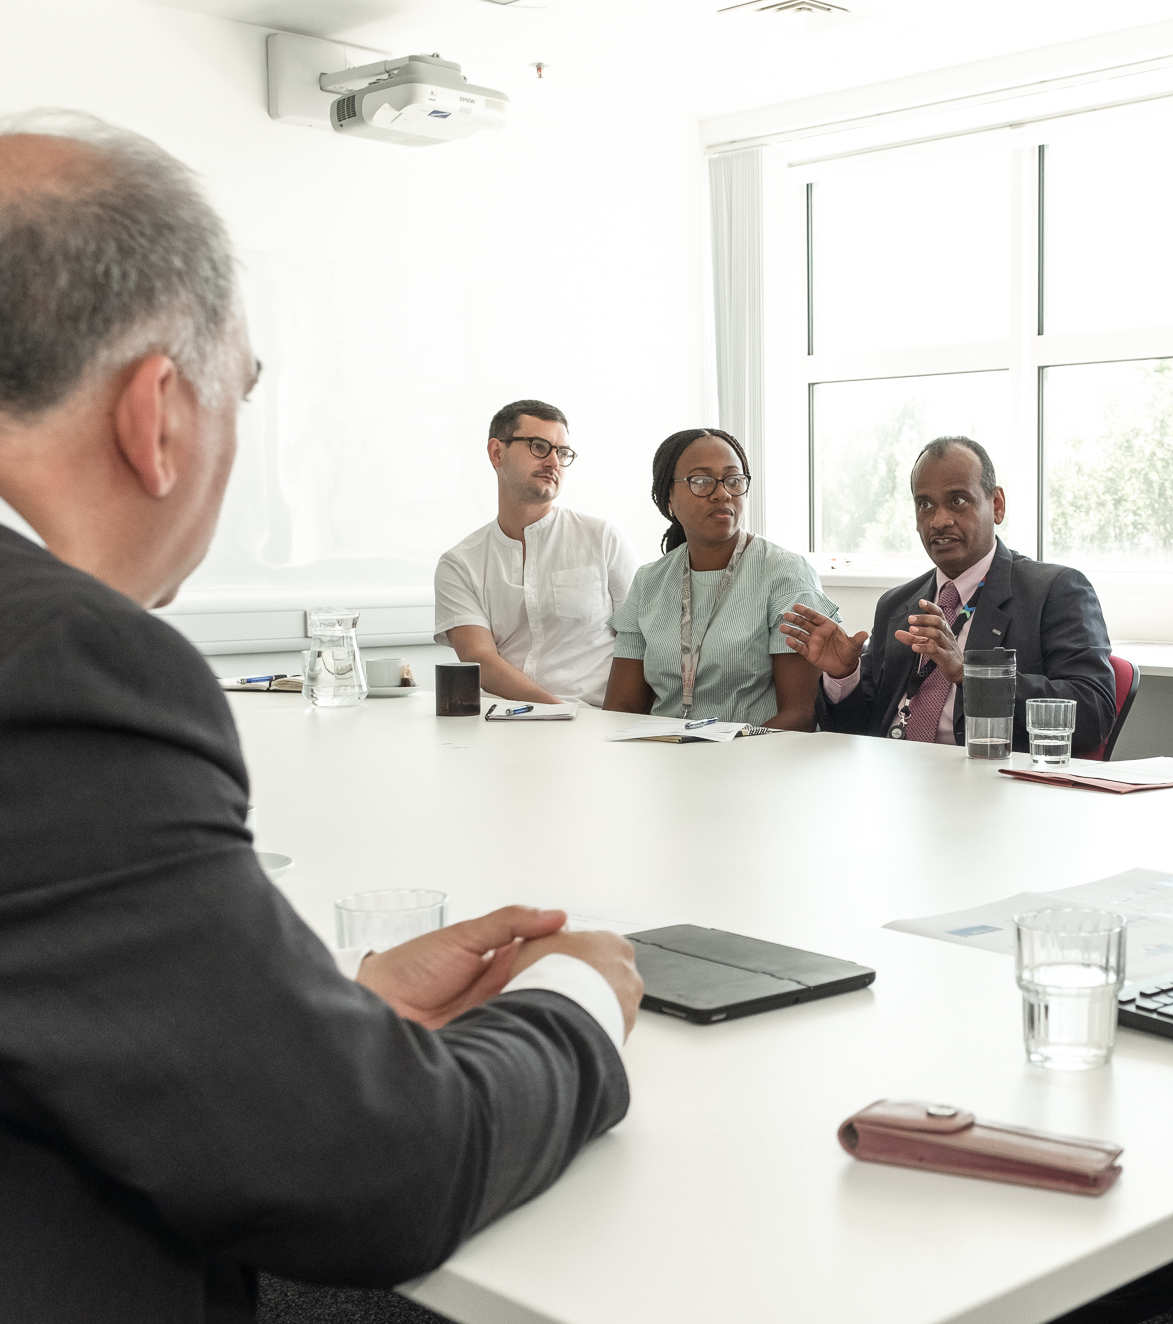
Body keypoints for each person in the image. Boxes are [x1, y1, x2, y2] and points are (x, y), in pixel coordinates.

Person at [0, 110, 644, 1322]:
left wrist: (323, 1015)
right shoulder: (61, 669)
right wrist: (568, 999)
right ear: (159, 414)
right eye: (239, 391)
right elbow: (381, 1172)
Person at [782, 436, 1114, 753]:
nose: (939, 520)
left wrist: (971, 675)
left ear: (996, 505)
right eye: (925, 504)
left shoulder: (1054, 591)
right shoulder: (896, 605)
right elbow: (858, 731)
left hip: (989, 788)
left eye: (958, 500)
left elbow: (1092, 712)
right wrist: (844, 675)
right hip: (892, 783)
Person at [603, 428, 834, 730]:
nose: (722, 493)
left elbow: (799, 715)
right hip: (662, 757)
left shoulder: (785, 574)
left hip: (754, 760)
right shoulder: (649, 581)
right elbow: (621, 708)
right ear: (668, 497)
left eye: (733, 480)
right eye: (701, 481)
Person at [434, 398, 640, 706]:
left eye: (562, 452)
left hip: (596, 726)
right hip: (503, 726)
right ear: (496, 453)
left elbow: (638, 640)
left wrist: (611, 723)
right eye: (539, 447)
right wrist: (559, 713)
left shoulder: (601, 539)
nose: (554, 462)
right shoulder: (460, 563)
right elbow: (479, 659)